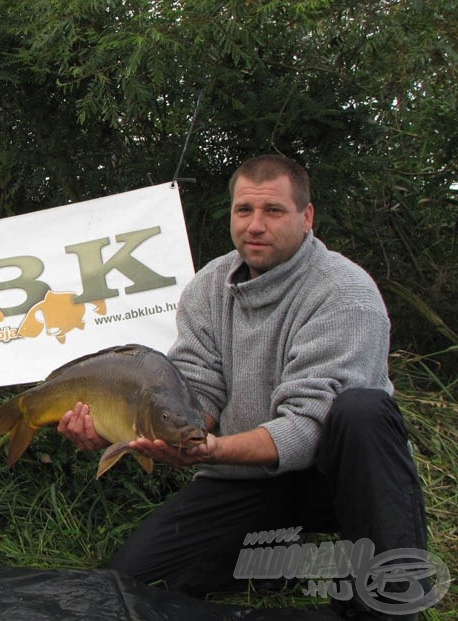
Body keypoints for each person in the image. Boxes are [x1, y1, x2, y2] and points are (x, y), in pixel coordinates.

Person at [59, 154, 429, 618]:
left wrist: (212, 449)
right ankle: (293, 561)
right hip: (246, 477)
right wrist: (169, 435)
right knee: (136, 581)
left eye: (273, 211)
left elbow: (308, 427)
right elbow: (195, 394)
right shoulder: (208, 286)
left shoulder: (345, 292)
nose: (255, 225)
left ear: (306, 216)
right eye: (244, 211)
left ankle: (395, 596)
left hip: (335, 481)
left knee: (363, 411)